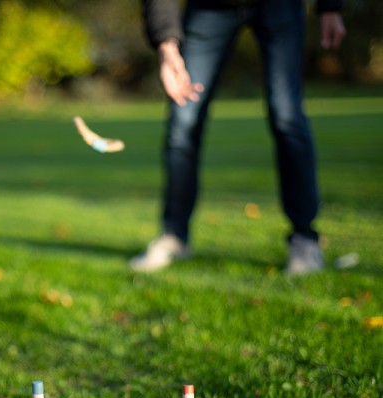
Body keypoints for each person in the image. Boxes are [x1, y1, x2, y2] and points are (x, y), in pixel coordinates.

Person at [131, 0, 346, 274]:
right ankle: (174, 236)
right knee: (183, 119)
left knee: (286, 114)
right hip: (209, 9)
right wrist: (166, 43)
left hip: (280, 6)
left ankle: (305, 239)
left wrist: (331, 7)